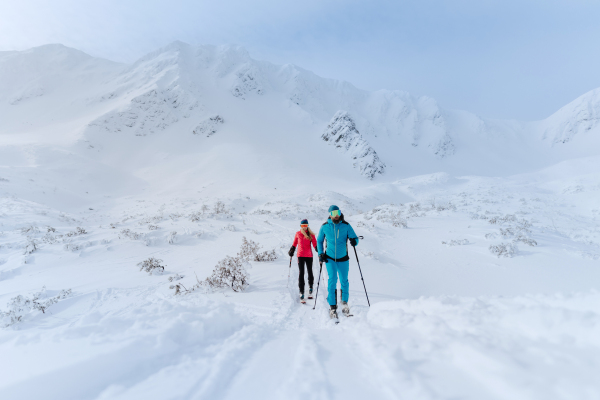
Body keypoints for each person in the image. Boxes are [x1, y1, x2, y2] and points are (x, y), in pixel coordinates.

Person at [317, 205, 359, 319]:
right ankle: (332, 306)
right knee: (332, 281)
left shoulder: (346, 225)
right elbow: (319, 241)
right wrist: (320, 253)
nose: (337, 215)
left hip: (343, 258)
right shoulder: (325, 227)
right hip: (329, 258)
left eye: (338, 212)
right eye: (334, 212)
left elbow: (355, 238)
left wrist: (354, 241)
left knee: (344, 281)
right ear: (330, 214)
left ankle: (344, 302)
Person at [288, 219, 317, 301]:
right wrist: (292, 250)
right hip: (300, 255)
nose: (304, 227)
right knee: (301, 273)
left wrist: (317, 249)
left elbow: (315, 243)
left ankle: (310, 287)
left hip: (309, 255)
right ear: (300, 226)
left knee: (310, 272)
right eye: (302, 226)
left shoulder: (311, 234)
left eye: (305, 225)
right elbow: (294, 243)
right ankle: (301, 291)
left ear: (308, 226)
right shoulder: (298, 234)